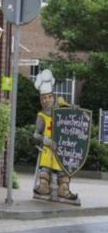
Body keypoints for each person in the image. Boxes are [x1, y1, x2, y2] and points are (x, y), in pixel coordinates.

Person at [32, 69, 79, 203]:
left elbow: (72, 113)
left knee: (63, 169)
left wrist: (75, 110)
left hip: (62, 146)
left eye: (49, 97)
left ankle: (63, 190)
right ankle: (43, 188)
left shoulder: (61, 109)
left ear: (53, 96)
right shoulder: (41, 116)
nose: (47, 100)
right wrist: (44, 140)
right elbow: (36, 134)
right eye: (44, 98)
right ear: (41, 100)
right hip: (48, 148)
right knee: (45, 170)